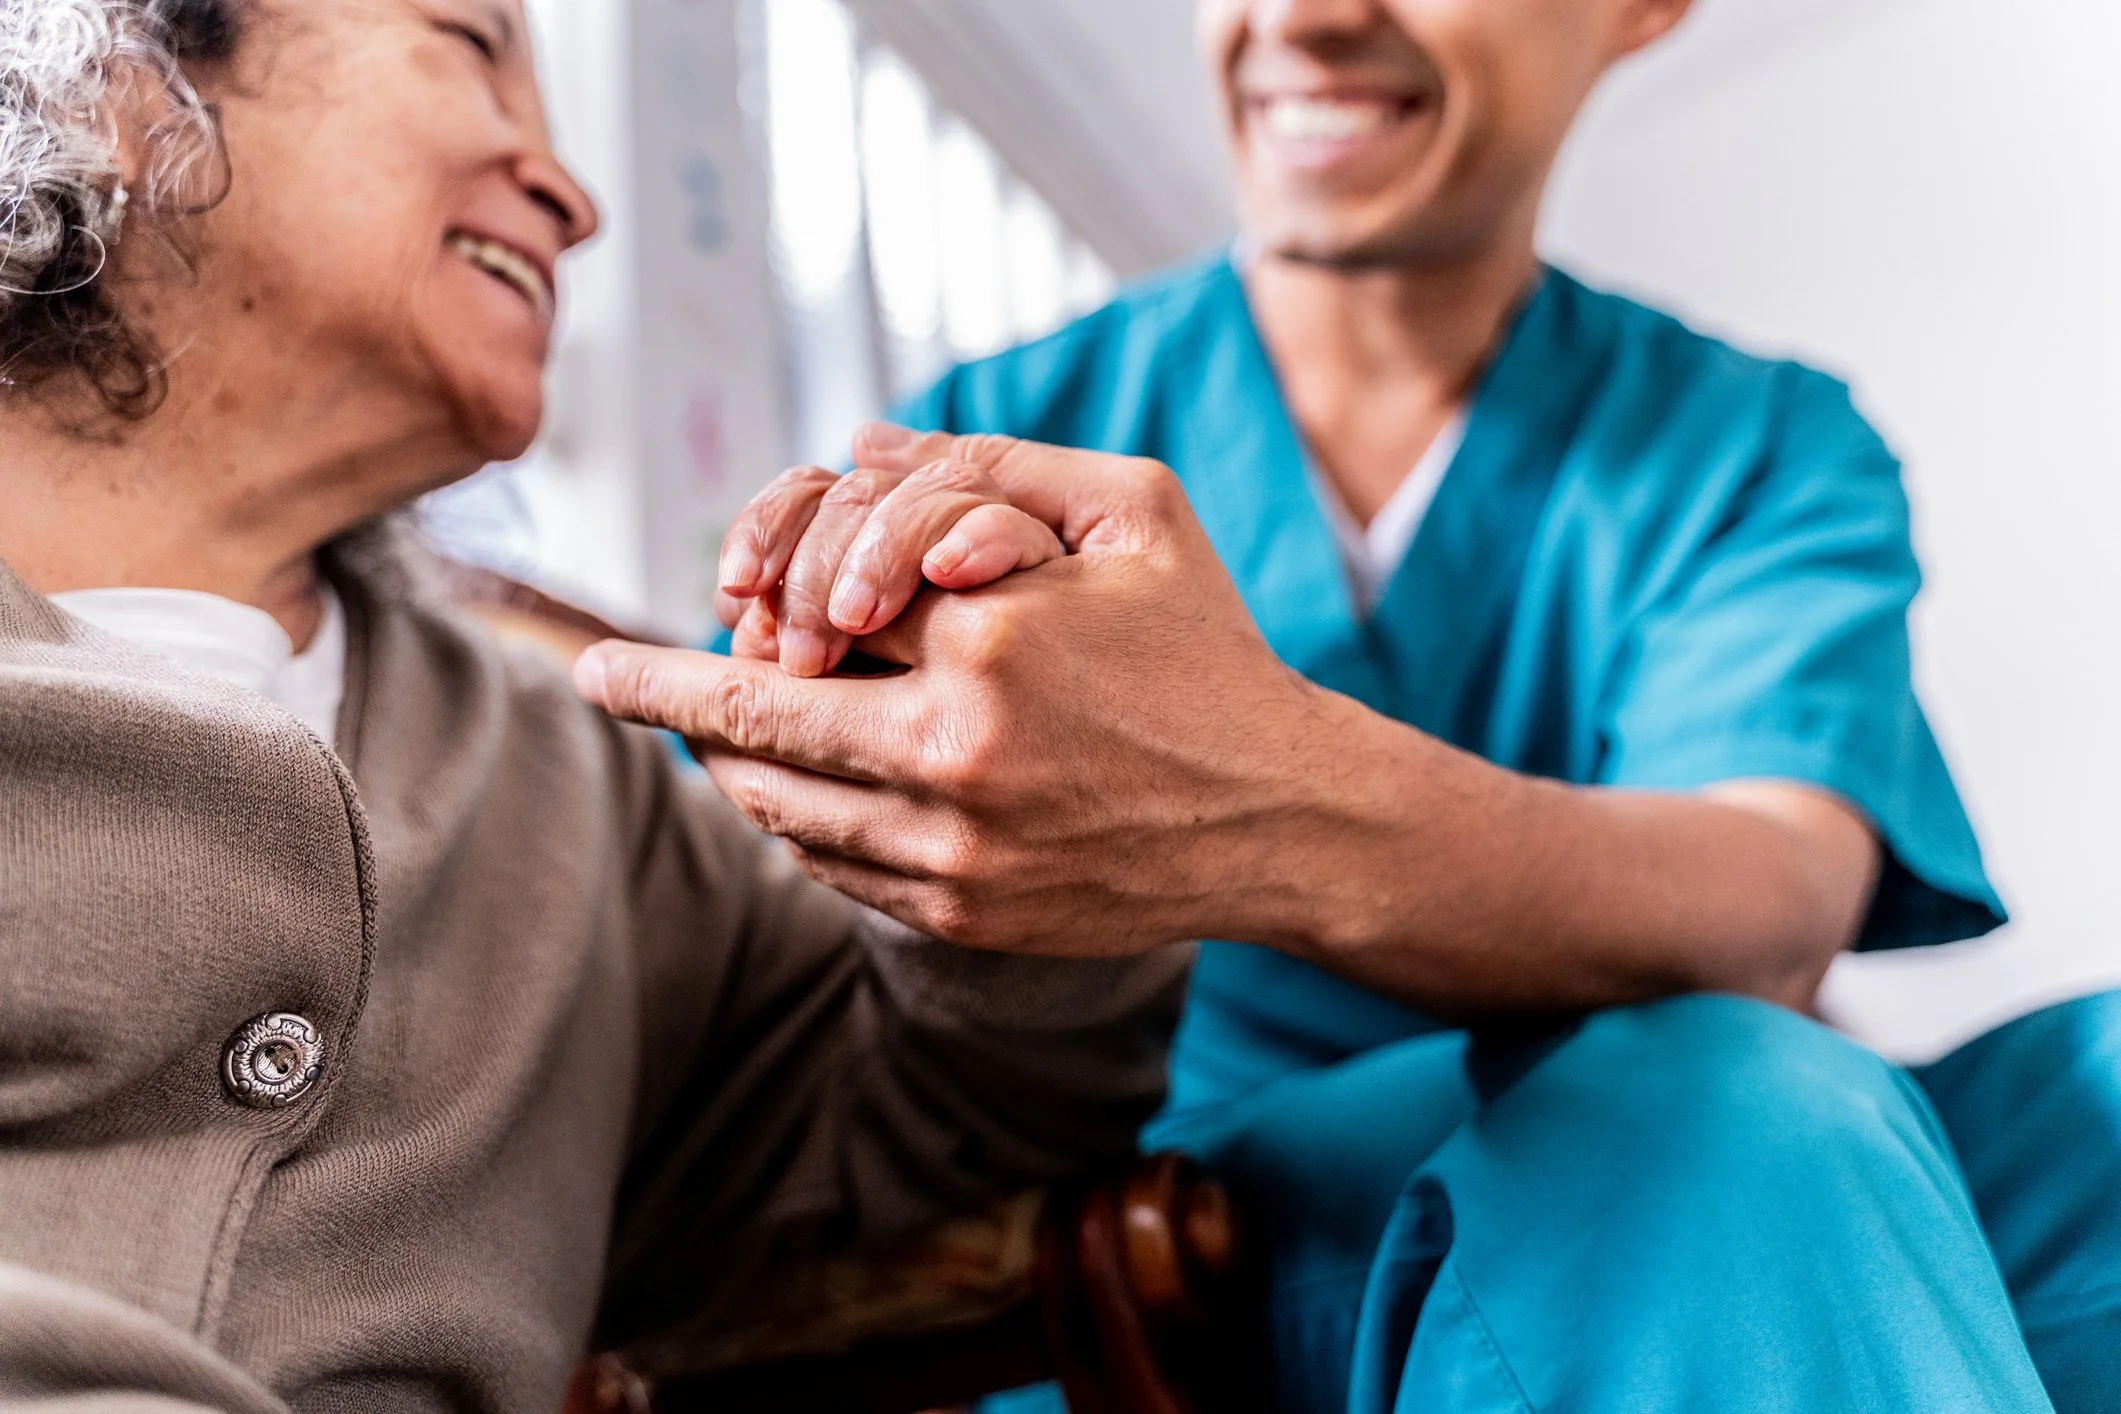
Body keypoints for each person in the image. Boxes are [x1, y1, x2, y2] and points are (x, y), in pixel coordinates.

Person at [574, 0, 2121, 1409]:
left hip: (1738, 1140)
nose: (1304, 21)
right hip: (1222, 1241)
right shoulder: (997, 440)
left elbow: (1765, 902)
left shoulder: (1763, 451)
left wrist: (1256, 797)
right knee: (1725, 1109)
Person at [0, 2, 1189, 1409]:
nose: (576, 201)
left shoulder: (567, 774)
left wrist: (981, 796)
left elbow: (951, 1112)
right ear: (119, 87)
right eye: (469, 41)